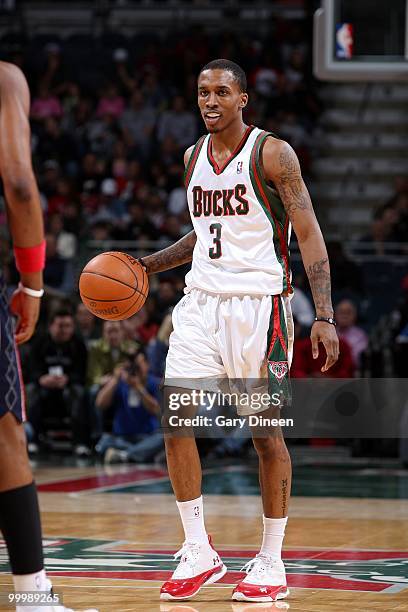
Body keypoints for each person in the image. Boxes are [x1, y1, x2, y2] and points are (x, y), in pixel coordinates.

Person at [137, 59, 339, 603]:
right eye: (203, 91)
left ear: (243, 98)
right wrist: (144, 266)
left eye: (222, 91)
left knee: (265, 437)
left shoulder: (273, 154)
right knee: (175, 420)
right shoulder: (191, 157)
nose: (210, 100)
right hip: (201, 303)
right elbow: (203, 238)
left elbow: (310, 236)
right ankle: (198, 548)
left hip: (261, 309)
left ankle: (271, 560)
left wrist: (323, 314)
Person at [0, 61, 97, 612]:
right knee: (5, 436)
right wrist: (32, 286)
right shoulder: (5, 79)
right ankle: (32, 593)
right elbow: (18, 181)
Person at [26, 309, 90, 456]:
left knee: (79, 392)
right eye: (61, 326)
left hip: (67, 387)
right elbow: (31, 369)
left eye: (68, 326)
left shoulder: (78, 344)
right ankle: (33, 441)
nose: (65, 330)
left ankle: (80, 443)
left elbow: (82, 373)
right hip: (44, 386)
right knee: (30, 391)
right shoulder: (40, 342)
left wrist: (68, 379)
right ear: (51, 327)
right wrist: (41, 379)